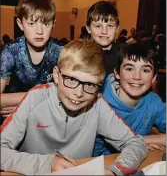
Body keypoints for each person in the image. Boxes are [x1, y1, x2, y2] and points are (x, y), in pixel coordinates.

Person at [1, 39, 147, 175]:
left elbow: (136, 143)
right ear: (57, 75)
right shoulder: (35, 99)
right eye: (71, 79)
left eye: (90, 84)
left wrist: (115, 171)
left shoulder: (97, 104)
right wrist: (46, 164)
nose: (79, 93)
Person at [93, 43, 166, 156]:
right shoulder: (98, 101)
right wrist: (140, 143)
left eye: (145, 70)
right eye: (129, 68)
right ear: (117, 73)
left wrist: (141, 141)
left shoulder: (153, 101)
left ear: (154, 78)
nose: (137, 76)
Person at [0, 0, 62, 118]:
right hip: (13, 118)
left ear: (53, 24)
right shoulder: (11, 51)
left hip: (46, 116)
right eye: (32, 24)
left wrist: (24, 106)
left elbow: (68, 96)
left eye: (45, 24)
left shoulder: (60, 52)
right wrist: (45, 97)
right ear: (20, 24)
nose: (39, 31)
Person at [86, 0, 125, 75]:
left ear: (117, 28)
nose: (104, 31)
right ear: (88, 28)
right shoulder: (81, 55)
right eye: (98, 26)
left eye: (110, 26)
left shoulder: (125, 54)